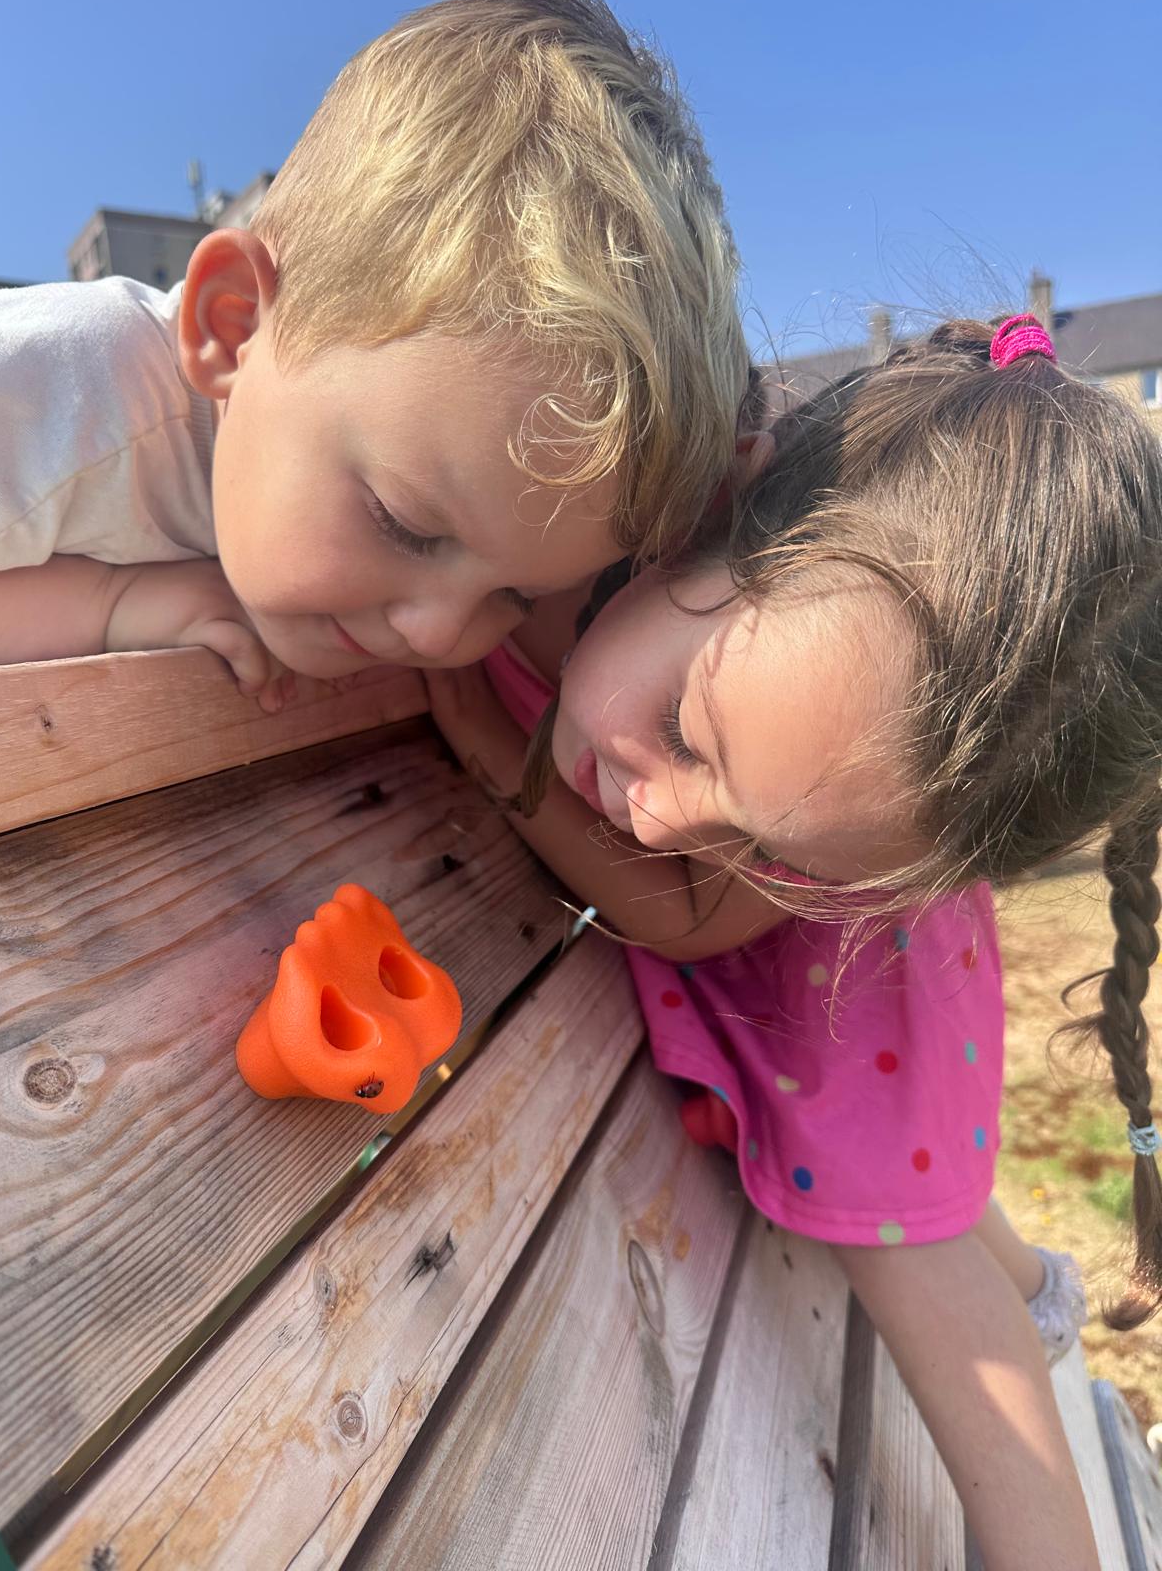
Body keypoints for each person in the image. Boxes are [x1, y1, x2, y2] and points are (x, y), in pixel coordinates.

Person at [428, 312, 1162, 1571]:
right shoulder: (574, 514)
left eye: (778, 853)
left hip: (854, 1040)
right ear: (731, 493)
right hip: (887, 1022)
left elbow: (682, 912)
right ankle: (1037, 1288)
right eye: (686, 726)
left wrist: (491, 744)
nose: (655, 812)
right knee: (942, 1209)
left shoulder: (746, 687)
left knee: (937, 1311)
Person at [0, 0, 747, 707]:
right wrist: (108, 606)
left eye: (514, 599)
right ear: (232, 327)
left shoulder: (310, 457)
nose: (439, 636)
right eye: (402, 523)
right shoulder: (40, 396)